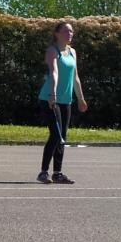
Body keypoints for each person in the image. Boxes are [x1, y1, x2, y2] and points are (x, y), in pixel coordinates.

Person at [37, 20, 88, 184]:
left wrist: (80, 98)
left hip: (66, 100)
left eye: (71, 31)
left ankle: (57, 173)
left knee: (62, 136)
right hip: (50, 98)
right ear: (56, 34)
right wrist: (53, 95)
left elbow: (75, 77)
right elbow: (54, 72)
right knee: (56, 135)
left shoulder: (72, 52)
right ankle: (43, 172)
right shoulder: (52, 51)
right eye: (66, 31)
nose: (70, 34)